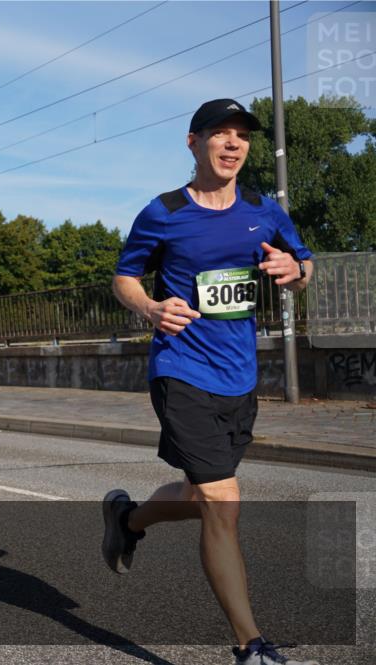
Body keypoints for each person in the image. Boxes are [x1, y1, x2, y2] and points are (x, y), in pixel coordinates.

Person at [102, 99, 317, 665]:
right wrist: (150, 308)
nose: (232, 143)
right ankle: (251, 644)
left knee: (203, 496)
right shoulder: (164, 211)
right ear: (192, 142)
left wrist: (295, 273)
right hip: (181, 370)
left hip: (239, 376)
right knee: (223, 502)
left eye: (241, 135)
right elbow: (124, 277)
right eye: (219, 134)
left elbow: (304, 265)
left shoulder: (263, 209)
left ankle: (128, 519)